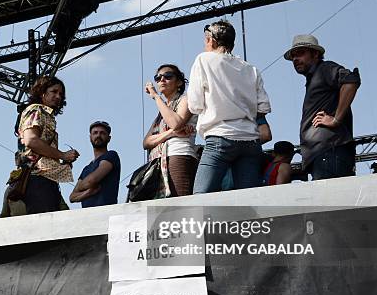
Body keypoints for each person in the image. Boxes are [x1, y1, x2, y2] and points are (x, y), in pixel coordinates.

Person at [188, 20, 271, 193]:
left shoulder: (203, 60)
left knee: (200, 199)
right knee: (249, 202)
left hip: (220, 137)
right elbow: (262, 107)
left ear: (211, 40)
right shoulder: (251, 69)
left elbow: (194, 105)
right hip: (250, 141)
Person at [284, 34, 360, 180]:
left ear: (315, 53)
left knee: (331, 202)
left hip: (329, 153)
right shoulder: (314, 78)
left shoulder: (324, 69)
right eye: (293, 56)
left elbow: (350, 80)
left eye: (300, 53)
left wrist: (336, 120)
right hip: (325, 155)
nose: (295, 59)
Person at [16, 76, 79, 214]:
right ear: (42, 92)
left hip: (46, 178)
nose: (58, 96)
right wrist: (63, 155)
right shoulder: (37, 110)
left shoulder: (45, 114)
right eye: (54, 91)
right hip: (38, 178)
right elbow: (31, 140)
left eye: (61, 94)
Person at [143, 64, 199, 197]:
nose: (162, 80)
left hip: (179, 155)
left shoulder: (186, 99)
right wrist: (171, 133)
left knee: (179, 206)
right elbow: (146, 142)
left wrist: (156, 97)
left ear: (179, 82)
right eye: (158, 78)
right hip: (160, 161)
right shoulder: (162, 112)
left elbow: (176, 123)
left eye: (167, 76)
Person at [70, 121, 121, 207]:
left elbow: (91, 181)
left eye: (102, 133)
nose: (98, 135)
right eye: (95, 133)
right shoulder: (86, 168)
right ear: (90, 137)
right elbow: (72, 197)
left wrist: (81, 187)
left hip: (106, 212)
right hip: (87, 215)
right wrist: (87, 193)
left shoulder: (111, 155)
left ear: (109, 138)